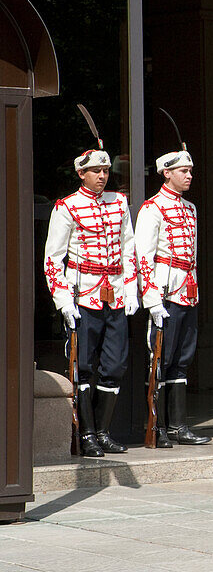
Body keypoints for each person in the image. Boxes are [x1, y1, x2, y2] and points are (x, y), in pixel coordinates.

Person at [43, 145, 139, 457]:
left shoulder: (119, 203)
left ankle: (102, 431)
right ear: (81, 173)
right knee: (82, 367)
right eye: (96, 171)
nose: (102, 176)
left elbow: (129, 247)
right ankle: (85, 434)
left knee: (115, 366)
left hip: (114, 296)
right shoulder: (67, 207)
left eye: (106, 171)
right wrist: (63, 300)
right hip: (82, 295)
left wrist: (132, 289)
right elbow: (53, 259)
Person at [135, 148, 210, 446]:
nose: (189, 176)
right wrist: (152, 300)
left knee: (182, 359)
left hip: (187, 291)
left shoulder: (190, 209)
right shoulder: (152, 208)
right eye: (183, 171)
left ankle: (179, 426)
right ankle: (158, 427)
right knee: (160, 359)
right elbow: (144, 256)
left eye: (190, 171)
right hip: (165, 293)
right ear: (167, 173)